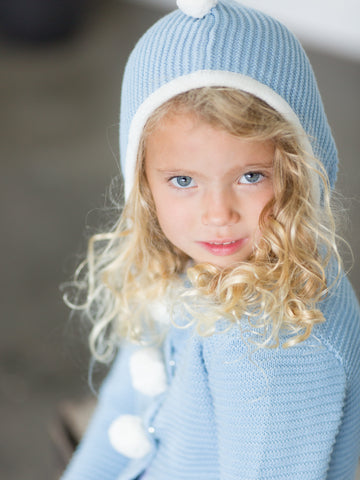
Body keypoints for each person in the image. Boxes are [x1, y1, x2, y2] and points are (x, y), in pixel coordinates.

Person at [60, 1, 360, 479]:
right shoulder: (184, 263)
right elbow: (125, 404)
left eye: (250, 176)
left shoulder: (276, 350)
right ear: (143, 184)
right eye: (183, 181)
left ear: (300, 170)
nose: (217, 216)